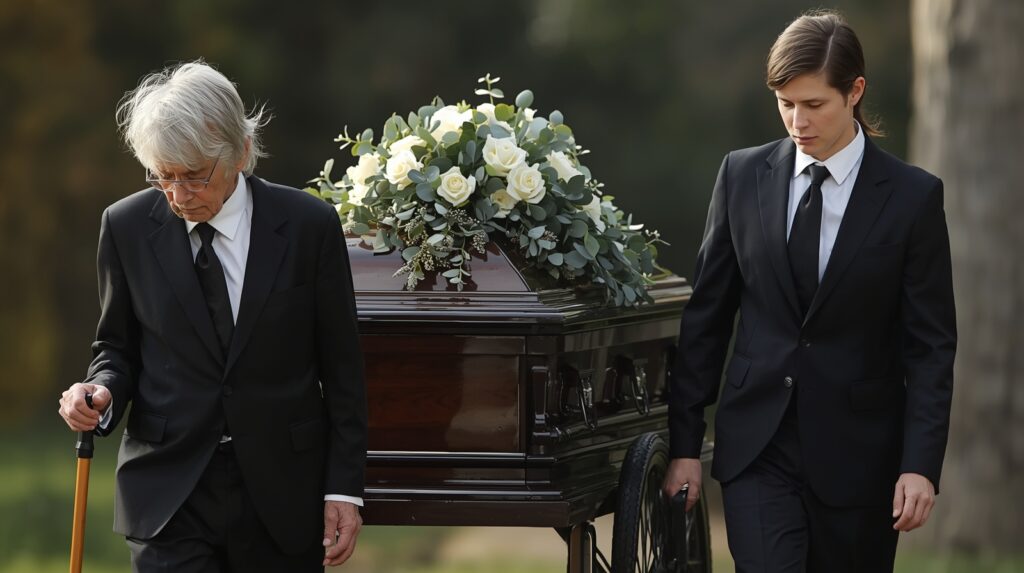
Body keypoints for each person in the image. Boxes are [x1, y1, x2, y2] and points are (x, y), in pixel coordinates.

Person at [662, 11, 956, 572]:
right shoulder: (740, 176)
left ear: (855, 92)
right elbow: (707, 321)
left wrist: (920, 465)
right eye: (785, 102)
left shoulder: (913, 199)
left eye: (814, 104)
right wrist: (684, 446)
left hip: (862, 463)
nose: (798, 120)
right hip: (757, 450)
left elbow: (931, 347)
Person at [57, 61, 367, 572]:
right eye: (164, 178)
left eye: (194, 177)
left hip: (282, 492)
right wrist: (101, 391)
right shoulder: (126, 226)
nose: (179, 196)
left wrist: (344, 490)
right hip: (167, 492)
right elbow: (116, 348)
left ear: (241, 151)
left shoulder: (310, 226)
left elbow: (343, 373)